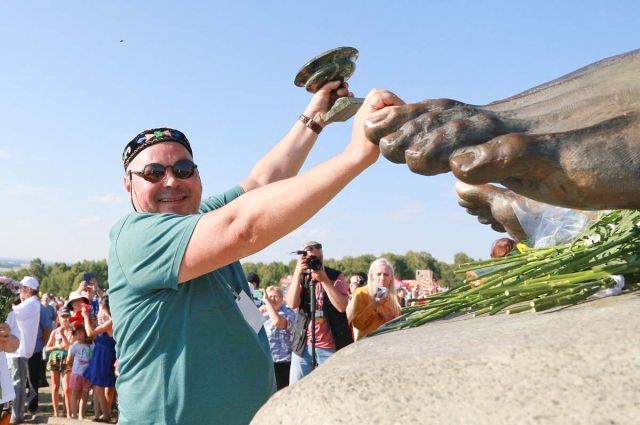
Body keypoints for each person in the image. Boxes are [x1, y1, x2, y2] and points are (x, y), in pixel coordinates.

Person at [108, 82, 403, 424]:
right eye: (153, 173)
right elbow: (243, 227)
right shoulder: (136, 236)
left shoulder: (201, 219)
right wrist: (356, 155)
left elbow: (263, 182)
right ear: (128, 184)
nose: (172, 181)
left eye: (184, 169)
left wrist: (315, 117)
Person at [285, 241, 353, 384]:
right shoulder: (302, 276)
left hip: (330, 346)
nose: (316, 262)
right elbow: (292, 304)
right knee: (296, 392)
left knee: (330, 391)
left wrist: (325, 280)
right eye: (312, 259)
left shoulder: (335, 276)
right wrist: (297, 273)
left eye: (319, 258)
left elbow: (342, 306)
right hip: (303, 346)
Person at [6, 276, 41, 424]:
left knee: (17, 382)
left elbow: (11, 311)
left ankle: (17, 414)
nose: (21, 290)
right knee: (16, 382)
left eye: (23, 288)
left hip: (18, 350)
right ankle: (15, 412)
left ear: (30, 289)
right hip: (16, 349)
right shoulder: (30, 303)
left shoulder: (31, 303)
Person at [346, 258, 402, 340]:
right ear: (372, 276)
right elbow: (358, 324)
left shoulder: (396, 298)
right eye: (379, 274)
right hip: (367, 344)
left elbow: (400, 325)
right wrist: (373, 305)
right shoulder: (362, 293)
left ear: (391, 278)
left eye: (386, 274)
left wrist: (391, 320)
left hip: (389, 343)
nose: (382, 278)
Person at [82, 296, 116, 423]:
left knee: (99, 385)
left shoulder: (111, 321)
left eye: (100, 308)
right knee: (97, 386)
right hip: (100, 353)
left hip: (104, 356)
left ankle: (106, 415)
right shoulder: (106, 321)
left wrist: (85, 317)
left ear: (104, 307)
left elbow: (90, 334)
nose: (99, 312)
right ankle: (98, 415)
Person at [261, 286, 295, 390]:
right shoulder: (264, 312)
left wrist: (266, 302)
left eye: (274, 296)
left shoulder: (288, 312)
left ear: (282, 298)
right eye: (269, 296)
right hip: (268, 361)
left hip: (284, 362)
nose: (271, 299)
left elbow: (278, 322)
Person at [26, 293, 52, 416]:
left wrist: (43, 346)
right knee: (19, 380)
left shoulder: (40, 308)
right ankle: (18, 406)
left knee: (33, 380)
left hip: (34, 350)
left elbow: (47, 328)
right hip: (18, 350)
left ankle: (32, 407)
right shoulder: (19, 306)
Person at [45, 307, 73, 418]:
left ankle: (68, 413)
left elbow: (69, 346)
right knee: (55, 386)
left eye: (67, 316)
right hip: (54, 358)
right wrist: (56, 346)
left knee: (66, 388)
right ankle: (56, 413)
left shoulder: (72, 330)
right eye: (63, 316)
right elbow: (47, 348)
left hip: (67, 359)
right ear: (58, 319)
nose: (65, 319)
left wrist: (62, 334)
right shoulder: (54, 331)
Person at [67, 326, 92, 421]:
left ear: (85, 333)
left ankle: (81, 415)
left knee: (84, 395)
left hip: (87, 374)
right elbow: (69, 360)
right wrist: (71, 366)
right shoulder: (74, 346)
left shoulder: (91, 345)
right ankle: (74, 414)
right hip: (76, 374)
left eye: (80, 334)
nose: (78, 336)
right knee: (74, 394)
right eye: (76, 334)